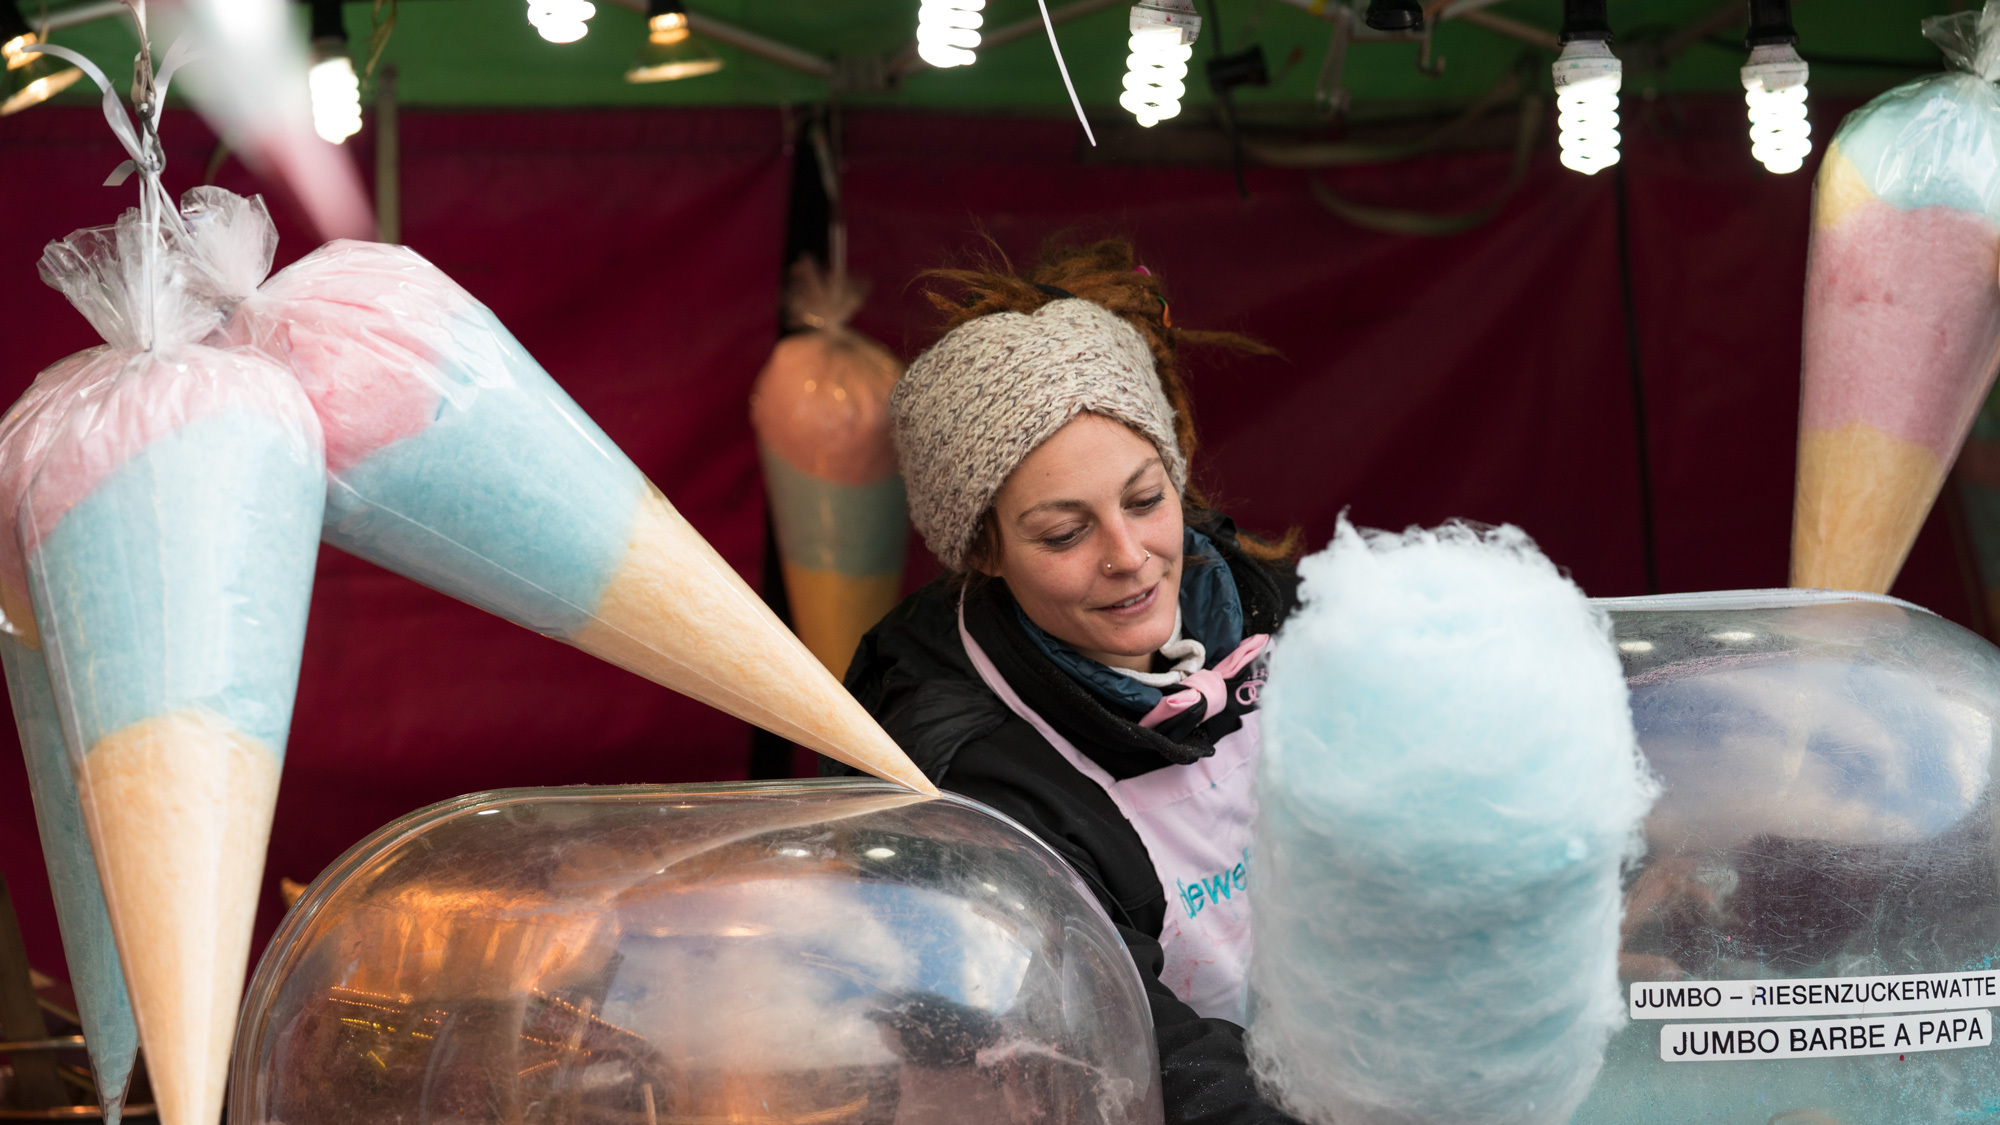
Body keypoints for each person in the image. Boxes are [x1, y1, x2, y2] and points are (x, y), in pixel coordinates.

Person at [823, 241, 1305, 1125]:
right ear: (984, 549)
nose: (1130, 557)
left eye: (1146, 499)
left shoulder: (1282, 615)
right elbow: (1128, 1046)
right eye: (1063, 533)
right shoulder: (968, 779)